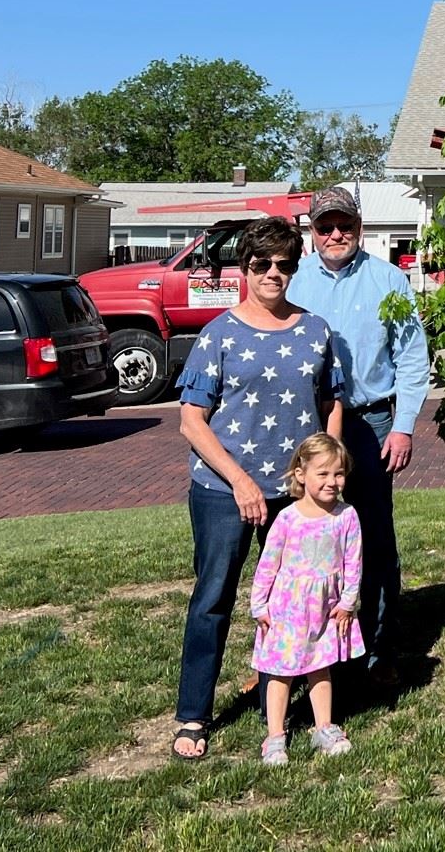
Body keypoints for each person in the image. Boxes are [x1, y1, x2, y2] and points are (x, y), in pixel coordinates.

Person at [172, 216, 342, 761]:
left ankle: (292, 698)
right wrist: (240, 481)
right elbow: (192, 421)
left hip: (295, 497)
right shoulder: (217, 335)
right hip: (224, 490)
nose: (274, 274)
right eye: (262, 264)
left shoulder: (315, 331)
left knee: (300, 598)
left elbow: (331, 402)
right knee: (214, 599)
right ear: (243, 268)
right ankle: (194, 714)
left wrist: (325, 471)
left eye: (285, 264)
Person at [287, 184, 431, 691]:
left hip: (370, 423)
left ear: (359, 227)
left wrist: (404, 425)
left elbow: (413, 359)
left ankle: (379, 649)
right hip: (308, 423)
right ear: (312, 231)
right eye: (325, 226)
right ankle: (305, 651)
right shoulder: (291, 281)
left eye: (344, 224)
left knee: (372, 538)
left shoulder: (388, 280)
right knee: (307, 540)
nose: (335, 234)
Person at [250, 433, 364, 765]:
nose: (332, 482)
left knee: (320, 667)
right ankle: (274, 736)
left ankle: (323, 727)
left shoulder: (347, 516)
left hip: (326, 610)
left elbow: (353, 562)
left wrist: (347, 602)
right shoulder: (287, 518)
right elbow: (267, 563)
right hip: (287, 610)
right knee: (281, 673)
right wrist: (259, 605)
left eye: (339, 474)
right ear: (301, 474)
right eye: (323, 474)